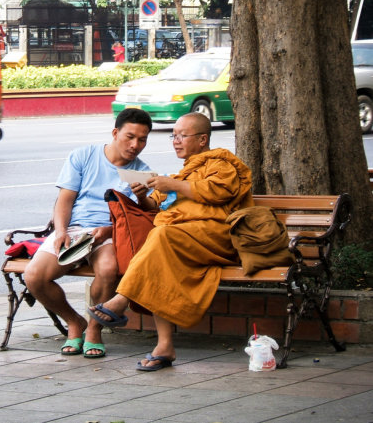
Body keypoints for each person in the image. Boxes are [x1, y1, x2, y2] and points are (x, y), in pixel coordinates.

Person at [88, 112, 254, 371]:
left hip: (215, 238)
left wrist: (174, 185)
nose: (176, 141)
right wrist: (143, 196)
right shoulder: (184, 172)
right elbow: (155, 206)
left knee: (161, 236)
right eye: (173, 136)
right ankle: (164, 346)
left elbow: (219, 192)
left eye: (182, 136)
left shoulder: (221, 164)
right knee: (160, 262)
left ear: (202, 140)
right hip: (180, 239)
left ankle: (121, 300)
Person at [24, 108, 153, 358]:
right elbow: (65, 200)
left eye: (143, 139)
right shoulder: (83, 156)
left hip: (111, 233)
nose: (135, 145)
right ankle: (74, 322)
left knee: (107, 270)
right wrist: (61, 230)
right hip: (74, 229)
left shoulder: (141, 172)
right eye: (130, 137)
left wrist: (111, 227)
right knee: (34, 276)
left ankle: (94, 330)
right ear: (115, 133)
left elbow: (141, 218)